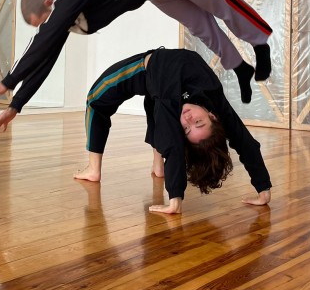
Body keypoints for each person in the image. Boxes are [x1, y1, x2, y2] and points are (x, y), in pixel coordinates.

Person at [0, 0, 273, 131]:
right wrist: (16, 105)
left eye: (45, 21)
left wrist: (8, 82)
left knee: (220, 3)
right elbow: (46, 55)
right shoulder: (67, 11)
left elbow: (44, 39)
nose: (48, 26)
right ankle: (240, 68)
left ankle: (259, 42)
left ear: (49, 4)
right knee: (201, 27)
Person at [73, 48, 272, 214]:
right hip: (153, 75)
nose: (187, 119)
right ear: (212, 116)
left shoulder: (169, 103)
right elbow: (246, 142)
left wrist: (175, 199)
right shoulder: (215, 99)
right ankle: (157, 166)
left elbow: (174, 147)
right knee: (123, 102)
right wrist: (264, 188)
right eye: (198, 122)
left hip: (152, 79)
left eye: (186, 129)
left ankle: (94, 170)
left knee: (96, 101)